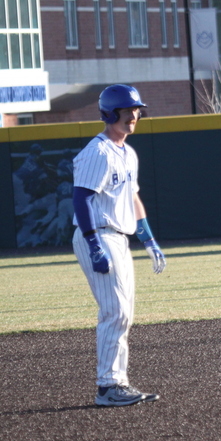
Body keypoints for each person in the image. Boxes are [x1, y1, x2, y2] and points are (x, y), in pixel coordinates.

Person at [72, 84, 167, 407]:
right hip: (98, 234)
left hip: (119, 237)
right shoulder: (98, 152)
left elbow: (133, 198)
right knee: (115, 311)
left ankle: (117, 382)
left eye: (136, 111)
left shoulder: (128, 153)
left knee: (124, 313)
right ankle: (108, 386)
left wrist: (148, 239)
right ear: (110, 114)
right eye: (127, 111)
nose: (134, 116)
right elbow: (81, 199)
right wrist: (93, 244)